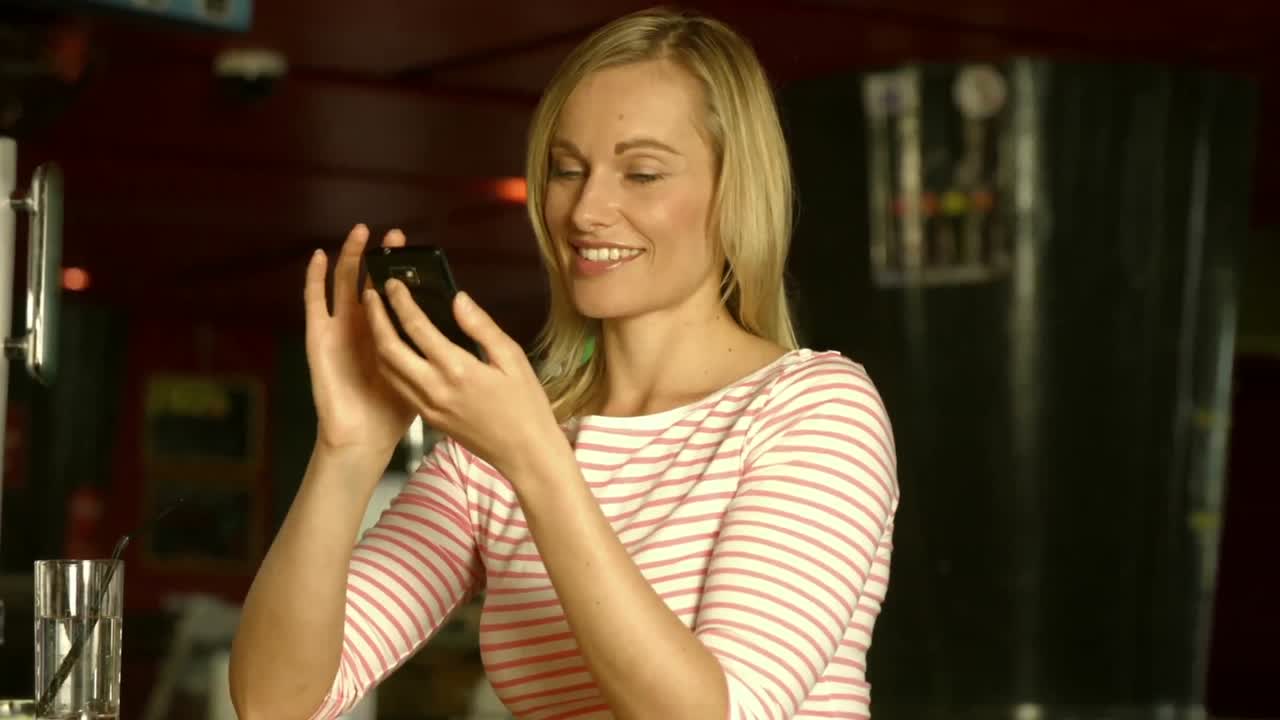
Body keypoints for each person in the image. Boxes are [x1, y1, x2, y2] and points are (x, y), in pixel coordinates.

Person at [228, 6, 898, 720]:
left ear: (737, 194)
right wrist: (348, 451)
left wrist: (536, 459)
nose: (585, 211)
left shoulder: (815, 409)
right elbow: (276, 704)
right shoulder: (494, 448)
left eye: (641, 173)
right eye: (567, 170)